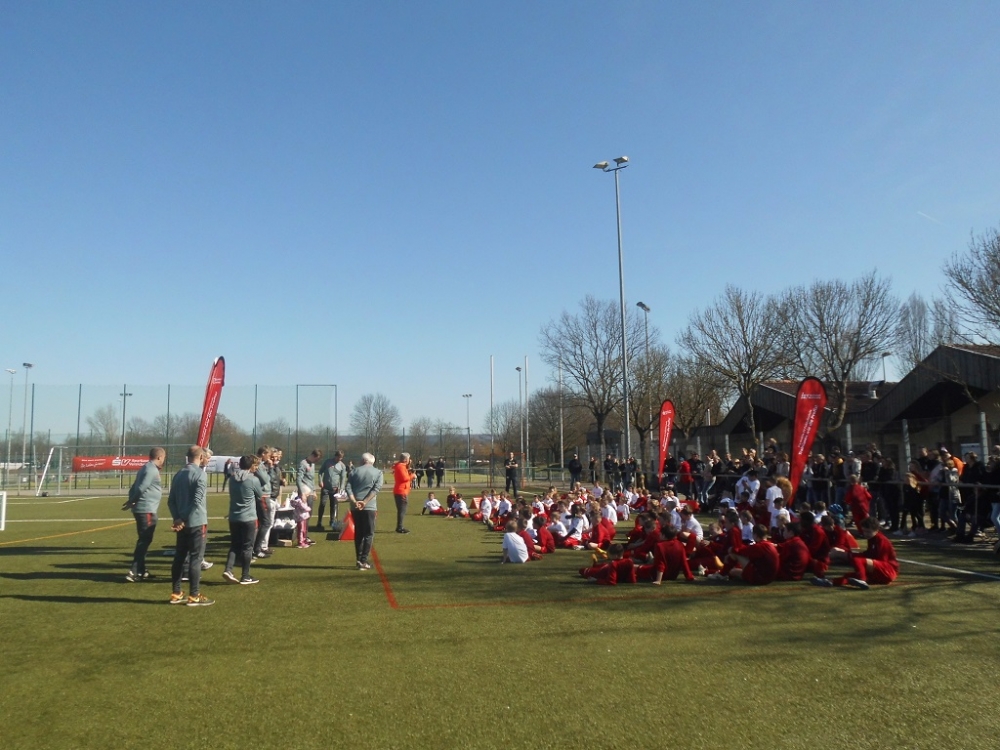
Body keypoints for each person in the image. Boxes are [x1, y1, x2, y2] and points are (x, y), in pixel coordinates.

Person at [167, 446, 213, 606]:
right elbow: (197, 500)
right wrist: (184, 518)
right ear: (201, 457)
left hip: (181, 524)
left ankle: (176, 593)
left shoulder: (179, 474)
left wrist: (177, 518)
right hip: (196, 522)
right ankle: (194, 595)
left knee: (179, 557)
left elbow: (171, 501)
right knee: (196, 558)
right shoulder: (200, 474)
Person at [813, 516, 899, 589]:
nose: (865, 534)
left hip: (888, 570)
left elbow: (880, 560)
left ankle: (862, 580)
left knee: (857, 560)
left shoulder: (881, 540)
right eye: (864, 531)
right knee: (849, 576)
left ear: (876, 530)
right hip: (880, 570)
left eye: (868, 532)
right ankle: (830, 582)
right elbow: (869, 555)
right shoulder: (872, 539)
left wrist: (849, 556)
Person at [124, 447, 166, 582]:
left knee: (144, 539)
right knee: (144, 541)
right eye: (163, 457)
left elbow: (134, 486)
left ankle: (142, 571)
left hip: (144, 508)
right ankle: (133, 571)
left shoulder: (145, 467)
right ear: (159, 457)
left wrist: (131, 499)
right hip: (146, 509)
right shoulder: (151, 469)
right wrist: (132, 500)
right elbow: (142, 487)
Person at [222, 455, 262, 585]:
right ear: (251, 466)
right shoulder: (253, 479)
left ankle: (228, 569)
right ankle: (245, 576)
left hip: (234, 516)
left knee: (234, 545)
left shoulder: (232, 479)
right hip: (249, 517)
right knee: (247, 547)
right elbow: (260, 495)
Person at [347, 452, 383, 570]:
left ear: (363, 460)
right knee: (368, 533)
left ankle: (359, 559)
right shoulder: (378, 472)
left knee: (358, 532)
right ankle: (363, 560)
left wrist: (354, 501)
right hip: (369, 506)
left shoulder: (354, 471)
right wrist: (365, 501)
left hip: (355, 506)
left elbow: (348, 487)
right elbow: (376, 489)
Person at [252, 446, 275, 559]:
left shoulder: (261, 465)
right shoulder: (259, 465)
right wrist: (269, 468)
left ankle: (257, 547)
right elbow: (266, 479)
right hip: (263, 496)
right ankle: (257, 549)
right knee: (265, 523)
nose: (269, 458)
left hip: (264, 495)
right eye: (268, 455)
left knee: (263, 523)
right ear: (263, 454)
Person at [317, 450, 347, 531]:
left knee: (333, 506)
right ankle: (319, 521)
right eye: (338, 457)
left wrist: (341, 488)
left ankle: (332, 521)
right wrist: (320, 481)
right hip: (325, 488)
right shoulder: (327, 462)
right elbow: (320, 472)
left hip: (335, 489)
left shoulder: (342, 466)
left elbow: (343, 478)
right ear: (335, 456)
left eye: (341, 458)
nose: (339, 459)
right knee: (322, 504)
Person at [392, 452, 416, 534]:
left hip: (401, 490)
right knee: (402, 510)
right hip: (401, 491)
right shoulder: (401, 467)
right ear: (406, 459)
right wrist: (412, 476)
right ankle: (400, 527)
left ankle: (400, 526)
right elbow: (404, 478)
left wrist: (409, 468)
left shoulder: (401, 466)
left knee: (402, 510)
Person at [296, 449, 321, 516]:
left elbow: (312, 479)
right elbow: (299, 479)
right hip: (305, 493)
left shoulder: (313, 464)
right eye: (316, 459)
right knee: (303, 514)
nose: (316, 461)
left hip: (311, 492)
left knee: (309, 513)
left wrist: (314, 491)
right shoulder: (303, 463)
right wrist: (302, 493)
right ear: (312, 455)